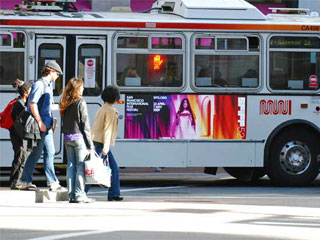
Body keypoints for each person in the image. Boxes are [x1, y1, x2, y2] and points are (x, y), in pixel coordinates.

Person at [18, 61, 65, 191]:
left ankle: (26, 180)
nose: (58, 76)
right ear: (50, 71)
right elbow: (32, 104)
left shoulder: (48, 85)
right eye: (57, 73)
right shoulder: (40, 84)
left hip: (46, 125)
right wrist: (40, 122)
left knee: (42, 153)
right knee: (43, 153)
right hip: (42, 125)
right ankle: (50, 182)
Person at [60, 77, 94, 203]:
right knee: (80, 166)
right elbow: (85, 123)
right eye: (82, 86)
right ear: (78, 88)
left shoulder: (65, 101)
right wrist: (90, 144)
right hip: (79, 138)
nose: (84, 88)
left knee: (70, 165)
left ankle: (71, 195)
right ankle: (80, 195)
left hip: (67, 137)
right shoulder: (81, 102)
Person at [91, 86, 123, 201]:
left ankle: (114, 193)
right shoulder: (110, 111)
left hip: (96, 141)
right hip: (101, 143)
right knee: (100, 169)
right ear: (115, 97)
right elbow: (107, 129)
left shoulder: (102, 108)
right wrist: (106, 146)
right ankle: (113, 193)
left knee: (95, 168)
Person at [9, 79, 32, 190]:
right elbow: (18, 123)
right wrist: (23, 135)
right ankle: (15, 182)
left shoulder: (21, 103)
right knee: (19, 158)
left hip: (18, 135)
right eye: (30, 90)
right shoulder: (19, 104)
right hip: (18, 136)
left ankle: (17, 181)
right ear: (25, 92)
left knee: (21, 158)